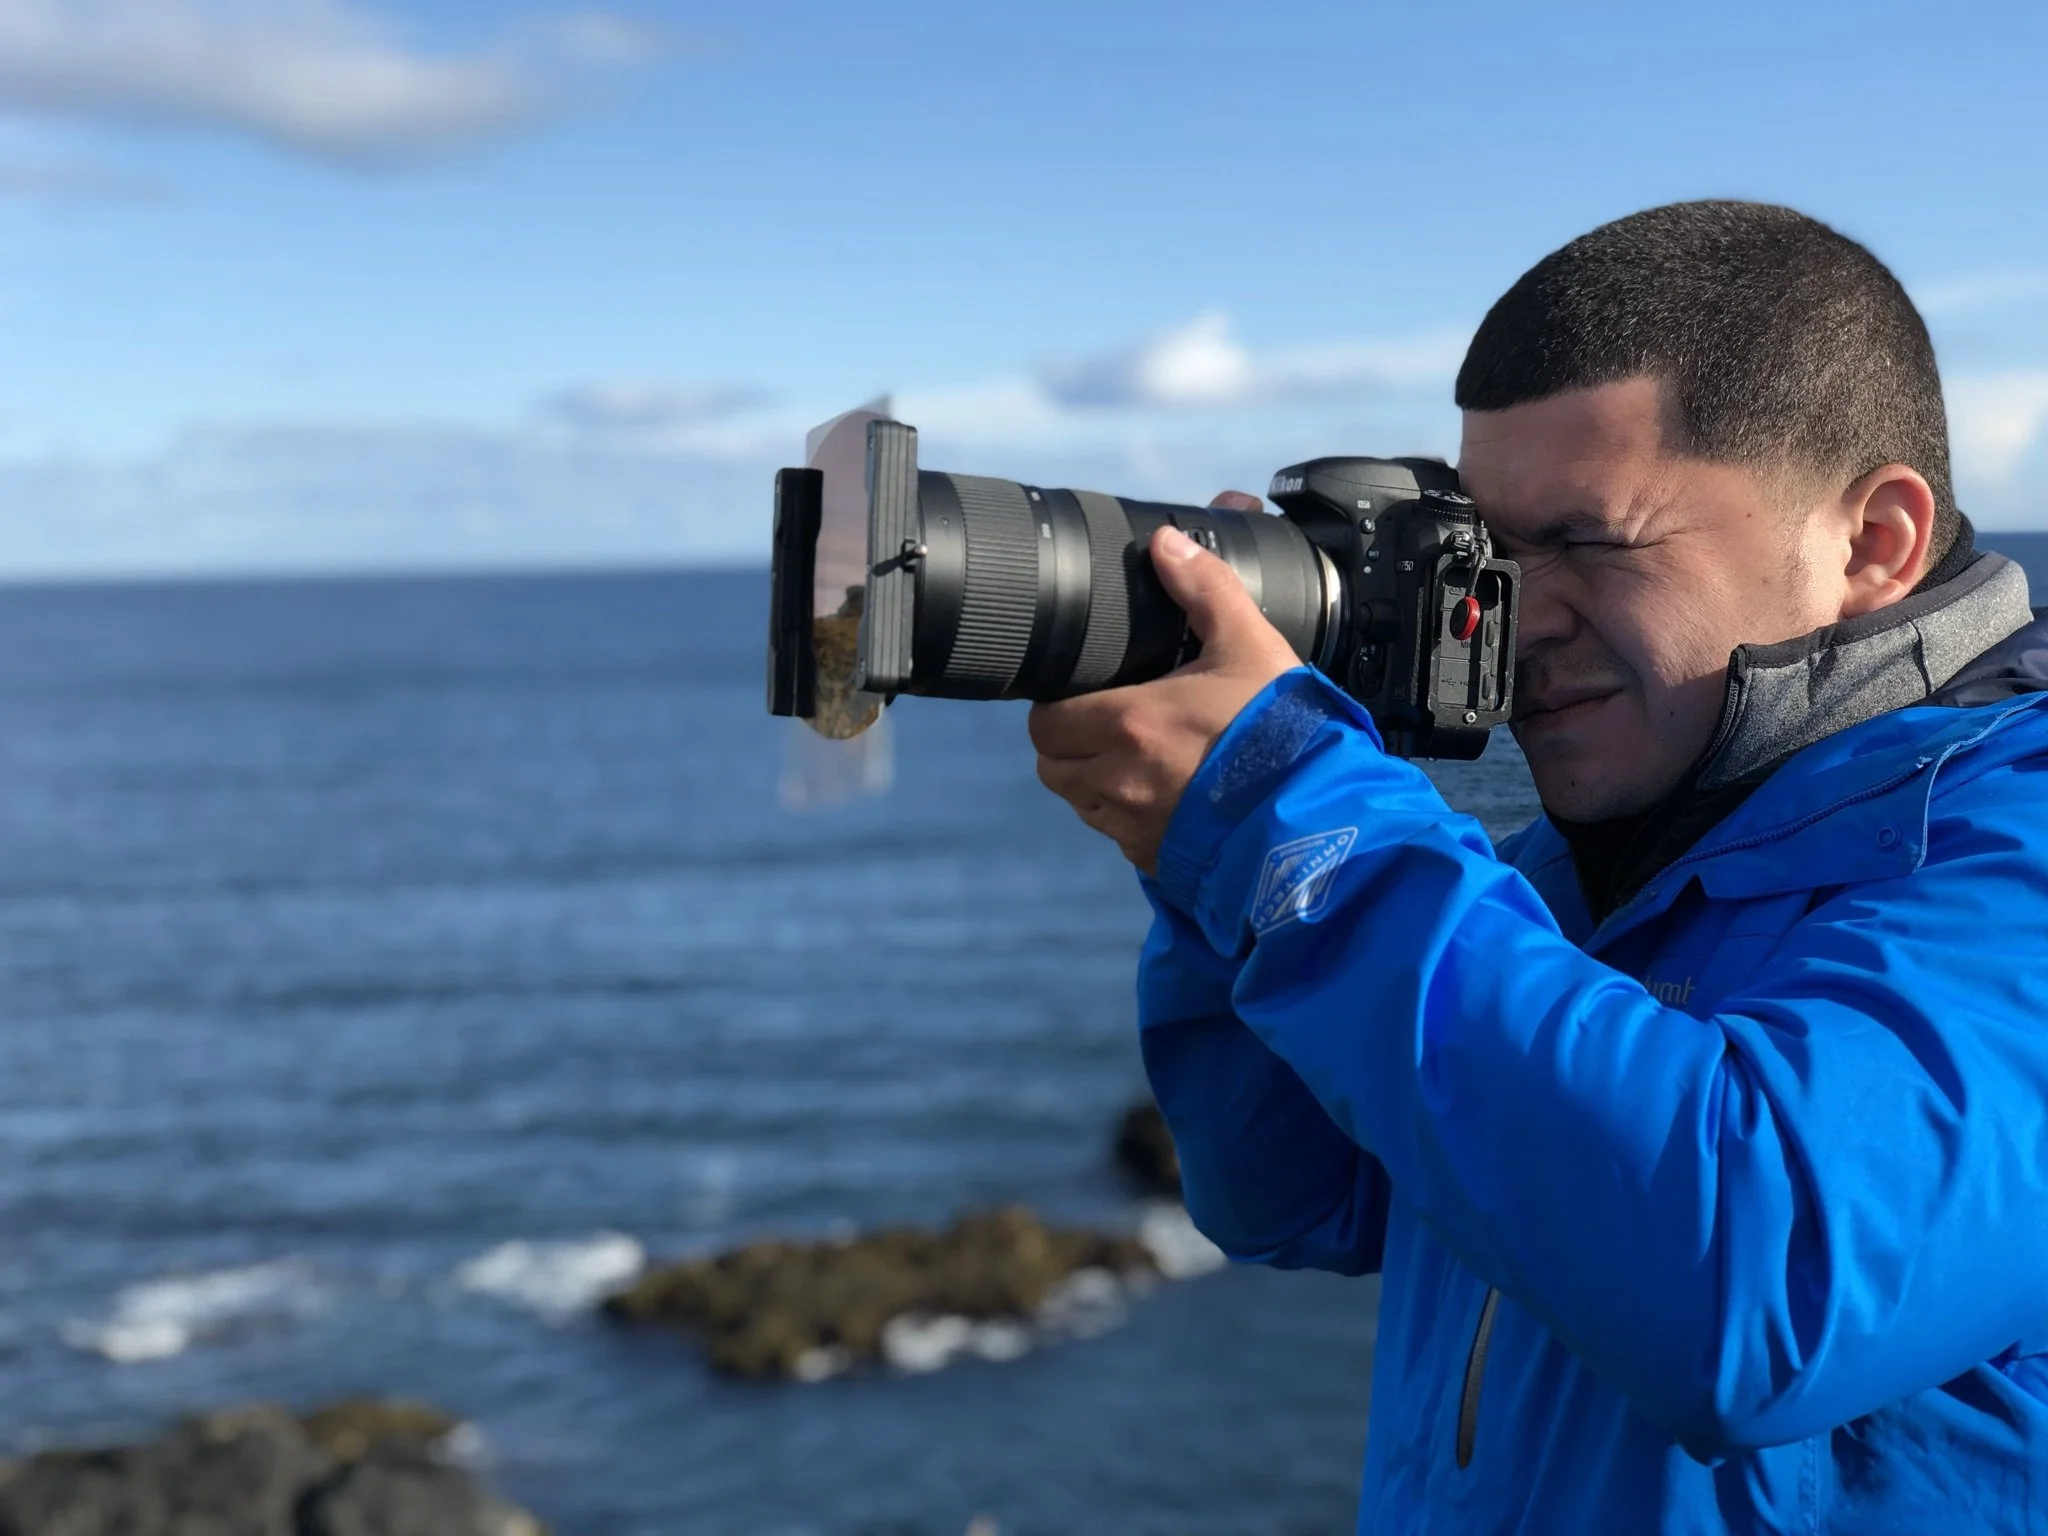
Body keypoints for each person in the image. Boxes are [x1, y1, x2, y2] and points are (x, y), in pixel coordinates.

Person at [1028, 200, 2048, 1533]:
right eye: (1496, 551)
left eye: (1587, 543)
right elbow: (1289, 1191)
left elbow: (1762, 1284)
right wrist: (1211, 854)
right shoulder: (1592, 866)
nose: (1515, 620)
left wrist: (1296, 819)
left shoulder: (2012, 845)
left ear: (1874, 542)